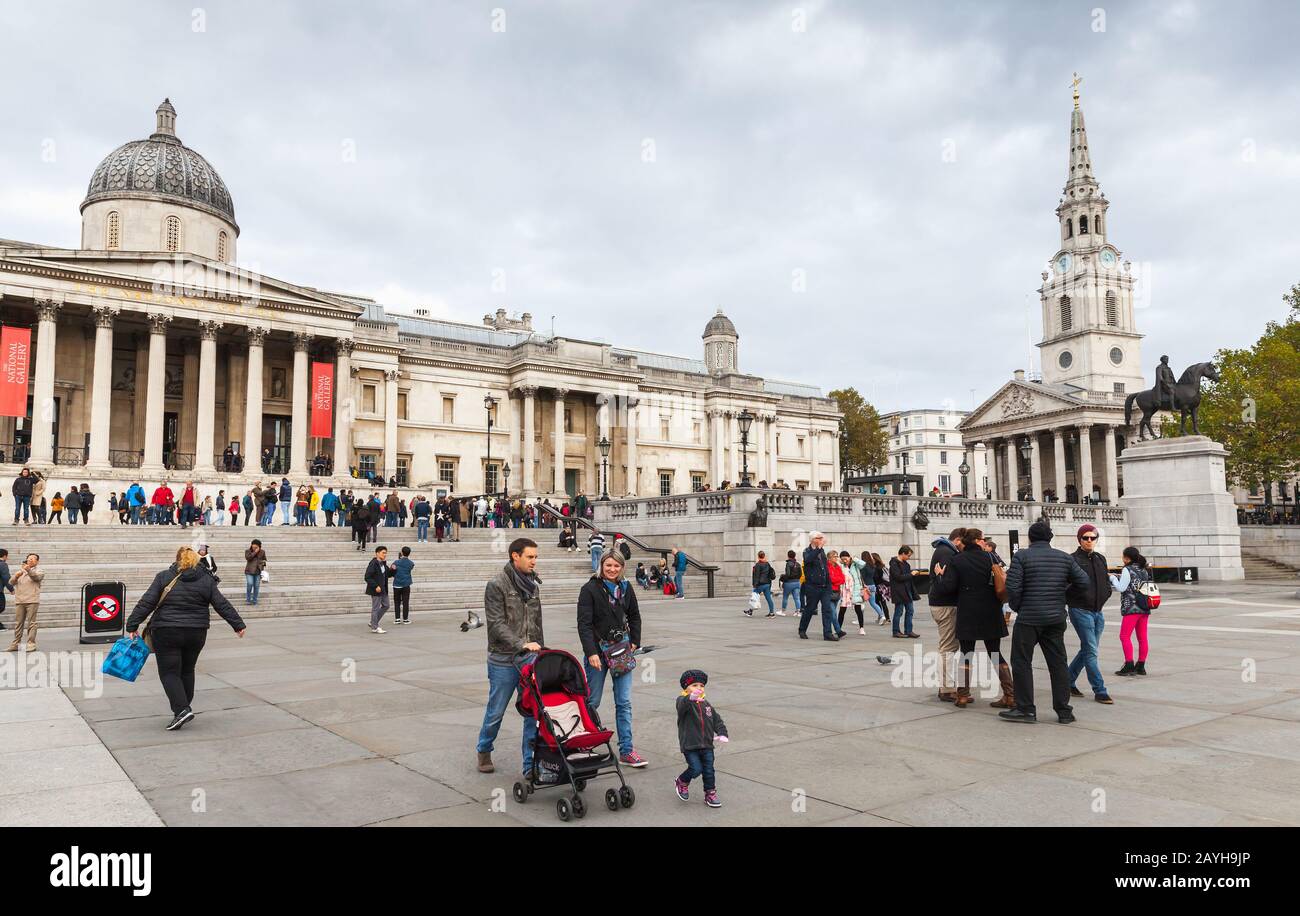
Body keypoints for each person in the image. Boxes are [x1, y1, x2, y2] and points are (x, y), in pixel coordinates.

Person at [125, 546, 247, 731]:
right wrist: (237, 624)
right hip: (196, 632)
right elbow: (221, 603)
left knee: (169, 672)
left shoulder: (164, 577)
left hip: (167, 631)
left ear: (177, 559)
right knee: (187, 670)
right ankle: (182, 709)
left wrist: (132, 624)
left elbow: (147, 601)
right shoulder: (206, 579)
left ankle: (182, 709)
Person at [1001, 520, 1089, 725]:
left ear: (1030, 538)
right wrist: (1062, 596)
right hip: (1055, 618)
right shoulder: (1064, 558)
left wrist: (1017, 606)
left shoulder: (1021, 556)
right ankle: (1064, 711)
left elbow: (1012, 587)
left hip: (1029, 618)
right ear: (1050, 538)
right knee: (1058, 664)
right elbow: (1083, 582)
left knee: (1022, 662)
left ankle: (1026, 709)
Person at [476, 537, 543, 775]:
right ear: (515, 556)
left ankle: (529, 764)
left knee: (532, 712)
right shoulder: (497, 584)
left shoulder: (533, 585)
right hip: (503, 659)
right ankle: (484, 749)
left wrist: (541, 651)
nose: (534, 561)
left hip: (529, 659)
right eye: (530, 557)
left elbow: (536, 621)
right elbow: (496, 624)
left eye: (536, 557)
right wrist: (522, 644)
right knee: (496, 710)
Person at [577, 550, 647, 768]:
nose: (612, 569)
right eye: (608, 565)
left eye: (617, 566)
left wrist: (634, 640)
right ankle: (582, 744)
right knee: (592, 701)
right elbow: (584, 624)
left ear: (622, 567)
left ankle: (627, 750)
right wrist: (591, 653)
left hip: (621, 650)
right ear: (601, 565)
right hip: (597, 651)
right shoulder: (589, 589)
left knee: (624, 702)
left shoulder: (626, 588)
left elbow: (635, 615)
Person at [937, 528, 1012, 709]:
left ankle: (962, 695)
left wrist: (941, 575)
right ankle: (1010, 695)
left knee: (966, 653)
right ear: (978, 541)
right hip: (990, 610)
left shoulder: (957, 560)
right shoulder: (990, 557)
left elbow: (948, 587)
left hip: (968, 610)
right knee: (995, 652)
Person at [1066, 524, 1115, 704]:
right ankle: (1099, 690)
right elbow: (1065, 585)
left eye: (1092, 538)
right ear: (1079, 539)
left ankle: (1067, 680)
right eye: (1085, 537)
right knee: (1091, 651)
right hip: (1080, 609)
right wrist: (1076, 597)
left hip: (1097, 611)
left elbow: (1105, 582)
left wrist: (1104, 595)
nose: (1089, 541)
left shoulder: (1100, 558)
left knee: (1088, 649)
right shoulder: (1072, 560)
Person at [674, 670, 728, 808]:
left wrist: (722, 733)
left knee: (709, 770)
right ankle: (682, 781)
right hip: (690, 745)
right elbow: (681, 706)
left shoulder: (706, 704)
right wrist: (690, 698)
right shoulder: (683, 701)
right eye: (694, 685)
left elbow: (717, 720)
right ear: (686, 687)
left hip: (707, 745)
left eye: (701, 686)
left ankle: (710, 793)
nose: (699, 688)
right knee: (696, 768)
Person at [927, 528, 966, 700]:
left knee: (948, 646)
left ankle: (947, 686)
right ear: (958, 540)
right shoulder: (947, 553)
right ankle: (947, 688)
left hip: (942, 603)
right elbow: (945, 584)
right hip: (945, 605)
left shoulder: (944, 550)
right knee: (948, 647)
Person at [1111, 547, 1153, 677]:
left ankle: (1129, 664)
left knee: (1124, 636)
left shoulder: (1127, 569)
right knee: (1142, 638)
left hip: (1132, 608)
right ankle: (1141, 666)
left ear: (1126, 558)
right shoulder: (1143, 569)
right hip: (1144, 608)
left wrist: (1112, 578)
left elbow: (1121, 587)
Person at [798, 532, 840, 641]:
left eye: (822, 538)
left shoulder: (821, 551)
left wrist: (829, 583)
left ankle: (827, 633)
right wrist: (819, 548)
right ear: (813, 539)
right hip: (813, 586)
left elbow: (824, 567)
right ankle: (802, 629)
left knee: (827, 610)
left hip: (825, 586)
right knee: (810, 609)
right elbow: (808, 560)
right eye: (819, 538)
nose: (822, 539)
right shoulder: (807, 551)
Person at [6, 553, 43, 651]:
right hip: (20, 600)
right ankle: (16, 644)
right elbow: (10, 582)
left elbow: (36, 578)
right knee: (18, 623)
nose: (30, 560)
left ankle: (31, 643)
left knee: (32, 623)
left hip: (32, 600)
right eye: (28, 559)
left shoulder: (39, 571)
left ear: (37, 561)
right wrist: (16, 576)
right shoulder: (20, 571)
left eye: (32, 559)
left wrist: (28, 570)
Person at [889, 546, 919, 638]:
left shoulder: (906, 564)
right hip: (899, 591)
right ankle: (896, 631)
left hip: (907, 590)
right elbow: (898, 577)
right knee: (899, 611)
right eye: (908, 555)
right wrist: (911, 574)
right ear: (903, 554)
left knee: (910, 610)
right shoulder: (894, 564)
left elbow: (906, 577)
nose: (909, 558)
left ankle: (908, 630)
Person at [365, 545, 396, 634]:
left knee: (386, 605)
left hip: (383, 589)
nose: (385, 554)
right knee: (375, 608)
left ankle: (372, 622)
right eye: (383, 553)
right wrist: (375, 586)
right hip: (376, 590)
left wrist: (393, 569)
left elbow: (388, 575)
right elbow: (367, 577)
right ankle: (375, 627)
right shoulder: (373, 563)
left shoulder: (383, 564)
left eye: (386, 553)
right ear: (377, 553)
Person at [837, 550, 869, 635]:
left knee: (858, 609)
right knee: (842, 610)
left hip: (856, 589)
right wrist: (839, 562)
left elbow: (863, 564)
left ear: (849, 557)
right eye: (842, 559)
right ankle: (838, 628)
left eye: (846, 559)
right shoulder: (841, 566)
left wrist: (854, 559)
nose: (845, 561)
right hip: (846, 590)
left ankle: (861, 628)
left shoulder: (855, 564)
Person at [749, 551, 776, 618]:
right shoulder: (767, 563)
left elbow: (757, 576)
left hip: (761, 584)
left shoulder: (758, 565)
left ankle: (750, 611)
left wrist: (755, 585)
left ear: (758, 556)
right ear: (764, 556)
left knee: (754, 597)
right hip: (768, 583)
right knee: (768, 598)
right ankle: (772, 613)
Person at [392, 545, 415, 625]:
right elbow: (409, 568)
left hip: (397, 584)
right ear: (409, 553)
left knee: (397, 602)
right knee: (406, 602)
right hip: (406, 584)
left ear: (401, 552)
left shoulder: (396, 562)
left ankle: (397, 618)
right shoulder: (411, 563)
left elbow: (393, 569)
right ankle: (405, 619)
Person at [777, 549, 801, 617]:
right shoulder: (798, 564)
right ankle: (798, 612)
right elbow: (800, 574)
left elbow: (788, 574)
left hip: (789, 583)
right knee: (796, 598)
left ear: (788, 556)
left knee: (785, 597)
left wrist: (782, 577)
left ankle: (783, 611)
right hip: (797, 582)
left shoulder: (788, 564)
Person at [244, 539, 267, 606]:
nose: (254, 547)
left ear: (259, 546)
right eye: (253, 546)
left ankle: (254, 600)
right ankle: (248, 599)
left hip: (258, 571)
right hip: (249, 571)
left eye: (256, 547)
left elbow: (264, 559)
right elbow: (248, 558)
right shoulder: (248, 551)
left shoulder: (262, 552)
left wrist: (262, 564)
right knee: (250, 583)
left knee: (256, 586)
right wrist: (255, 552)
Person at [0, 548, 11, 630]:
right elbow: (6, 577)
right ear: (4, 556)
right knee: (1, 606)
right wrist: (11, 588)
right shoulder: (3, 564)